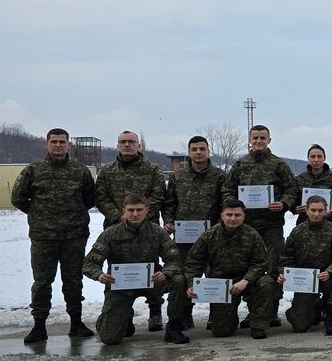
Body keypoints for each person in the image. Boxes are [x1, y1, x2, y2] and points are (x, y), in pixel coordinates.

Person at [12, 128, 96, 344]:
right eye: (54, 141)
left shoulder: (81, 171)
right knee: (42, 282)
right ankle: (39, 326)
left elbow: (90, 199)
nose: (58, 145)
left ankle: (76, 323)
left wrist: (72, 214)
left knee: (73, 280)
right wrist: (40, 214)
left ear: (68, 144)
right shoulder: (33, 170)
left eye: (62, 142)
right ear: (46, 144)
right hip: (43, 237)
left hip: (74, 236)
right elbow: (18, 198)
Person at [82, 194, 188, 345]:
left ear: (147, 210)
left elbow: (174, 260)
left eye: (139, 210)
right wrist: (99, 275)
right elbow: (88, 264)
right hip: (121, 286)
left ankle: (174, 326)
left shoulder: (157, 232)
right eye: (131, 210)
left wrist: (165, 273)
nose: (135, 214)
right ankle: (124, 317)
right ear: (123, 211)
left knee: (178, 280)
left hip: (152, 281)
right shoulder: (111, 234)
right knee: (109, 338)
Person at [223, 124, 299, 327]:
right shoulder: (240, 165)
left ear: (269, 140)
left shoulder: (278, 165)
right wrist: (236, 207)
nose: (258, 141)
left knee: (274, 268)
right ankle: (253, 311)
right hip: (246, 228)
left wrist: (283, 203)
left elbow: (292, 189)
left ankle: (271, 311)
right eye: (255, 138)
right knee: (248, 267)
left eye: (262, 138)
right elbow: (227, 190)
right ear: (249, 140)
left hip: (271, 225)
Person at [95, 130, 168, 331]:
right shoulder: (107, 171)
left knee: (152, 270)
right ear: (117, 145)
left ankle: (155, 312)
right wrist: (120, 217)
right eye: (123, 142)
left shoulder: (152, 169)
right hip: (116, 229)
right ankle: (123, 314)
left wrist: (141, 215)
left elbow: (158, 195)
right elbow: (101, 197)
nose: (127, 145)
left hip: (148, 230)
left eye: (131, 141)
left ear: (139, 146)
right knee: (118, 271)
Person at [161, 135, 227, 328]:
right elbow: (170, 203)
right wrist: (168, 221)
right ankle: (185, 314)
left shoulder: (220, 176)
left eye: (202, 149)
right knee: (185, 275)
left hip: (213, 237)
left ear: (208, 151)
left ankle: (216, 315)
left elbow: (225, 204)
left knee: (215, 274)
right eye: (194, 149)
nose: (198, 152)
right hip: (184, 238)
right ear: (189, 152)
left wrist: (220, 226)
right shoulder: (178, 176)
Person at [184, 199, 276, 339]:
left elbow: (261, 263)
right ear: (222, 215)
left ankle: (258, 325)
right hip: (222, 285)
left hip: (246, 281)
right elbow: (193, 262)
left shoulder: (252, 235)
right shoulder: (209, 235)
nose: (233, 218)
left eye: (237, 215)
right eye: (229, 214)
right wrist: (191, 284)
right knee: (221, 331)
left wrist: (246, 280)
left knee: (266, 282)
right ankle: (230, 318)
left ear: (244, 216)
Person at [277, 196, 332, 335]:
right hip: (305, 280)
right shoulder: (298, 231)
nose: (316, 214)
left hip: (326, 276)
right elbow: (286, 258)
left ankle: (331, 315)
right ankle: (316, 307)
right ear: (307, 211)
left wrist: (330, 271)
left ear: (325, 211)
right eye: (313, 210)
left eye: (320, 210)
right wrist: (284, 273)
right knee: (300, 326)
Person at [294, 144, 332, 225]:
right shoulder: (299, 179)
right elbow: (291, 198)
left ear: (324, 158)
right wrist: (295, 208)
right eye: (313, 156)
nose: (316, 160)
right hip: (304, 226)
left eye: (319, 156)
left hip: (330, 225)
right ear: (308, 158)